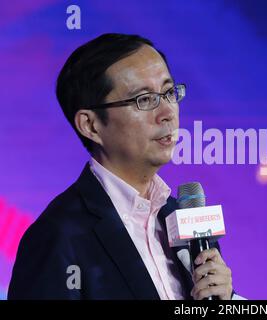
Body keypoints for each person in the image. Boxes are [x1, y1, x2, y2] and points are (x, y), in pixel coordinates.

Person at [8, 33, 235, 300]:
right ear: (91, 125)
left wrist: (228, 300)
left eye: (169, 92)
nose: (167, 113)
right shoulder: (58, 236)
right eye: (144, 100)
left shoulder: (181, 218)